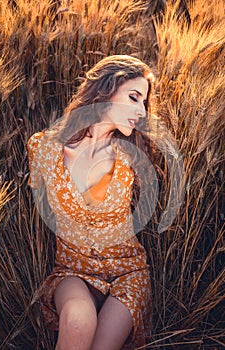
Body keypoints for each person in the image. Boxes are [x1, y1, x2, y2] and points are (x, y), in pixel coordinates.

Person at [27, 55, 157, 350]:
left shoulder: (131, 159)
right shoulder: (43, 148)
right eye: (134, 97)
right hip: (73, 271)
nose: (140, 110)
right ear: (104, 90)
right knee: (77, 320)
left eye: (144, 103)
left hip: (127, 273)